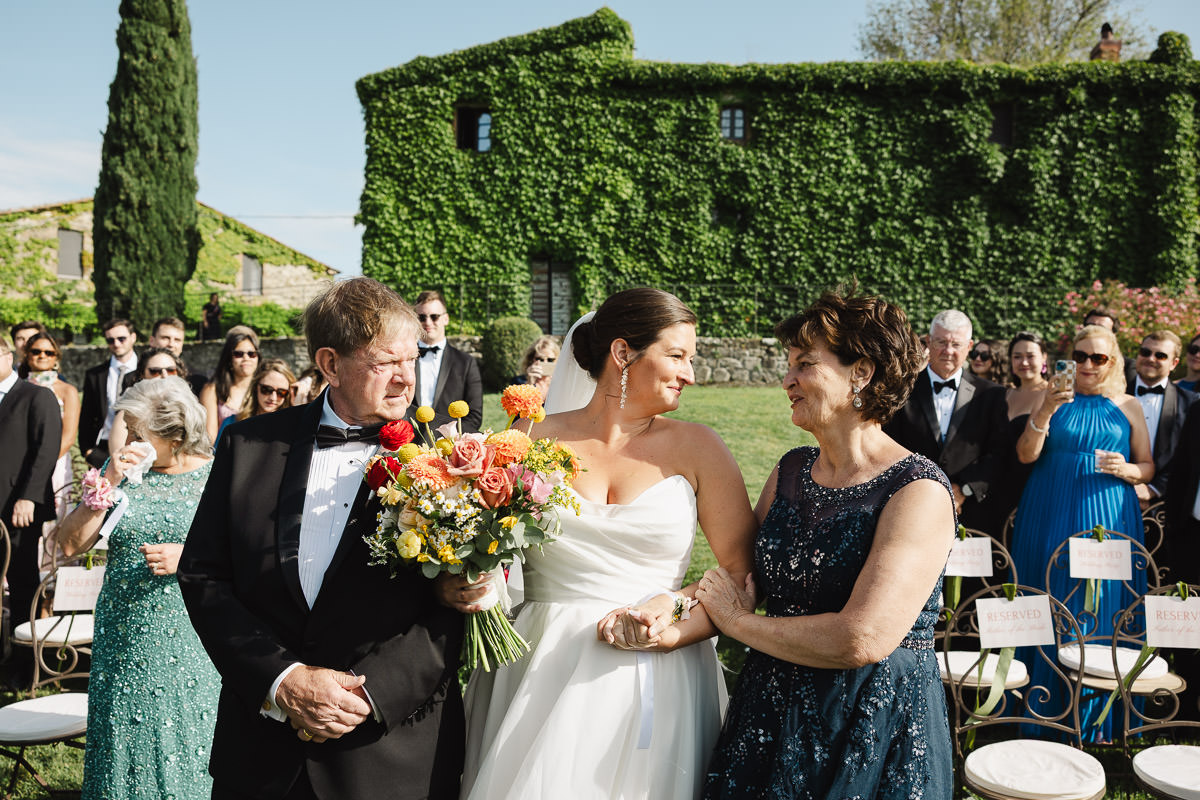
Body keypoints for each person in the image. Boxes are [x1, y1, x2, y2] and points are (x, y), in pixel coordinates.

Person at [461, 288, 758, 800]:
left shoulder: (699, 448)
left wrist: (670, 611)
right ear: (623, 353)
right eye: (677, 356)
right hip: (539, 666)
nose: (690, 374)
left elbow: (740, 576)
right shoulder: (528, 439)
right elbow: (478, 549)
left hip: (662, 671)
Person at [178, 278, 467, 800]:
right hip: (263, 756)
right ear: (330, 364)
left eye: (411, 359)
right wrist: (281, 679)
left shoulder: (449, 461)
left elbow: (456, 603)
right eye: (387, 362)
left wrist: (369, 697)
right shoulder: (248, 446)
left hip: (390, 755)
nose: (406, 378)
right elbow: (204, 576)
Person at [698, 289, 955, 799]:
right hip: (770, 708)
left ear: (861, 372)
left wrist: (738, 624)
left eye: (805, 364)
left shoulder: (918, 491)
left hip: (867, 722)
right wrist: (664, 609)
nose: (787, 380)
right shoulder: (790, 470)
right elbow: (739, 577)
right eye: (788, 364)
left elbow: (862, 638)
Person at [55, 377, 219, 800]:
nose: (127, 441)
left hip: (190, 635)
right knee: (122, 731)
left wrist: (189, 558)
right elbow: (69, 544)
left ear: (176, 437)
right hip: (123, 631)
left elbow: (250, 554)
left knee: (185, 734)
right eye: (126, 429)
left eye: (137, 433)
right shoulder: (124, 475)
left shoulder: (216, 477)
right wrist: (108, 479)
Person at [1010, 324, 1152, 742]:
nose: (1088, 365)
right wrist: (1045, 409)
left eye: (1098, 357)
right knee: (1046, 593)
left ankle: (1096, 720)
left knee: (1103, 603)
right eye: (1080, 356)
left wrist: (1129, 469)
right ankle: (1039, 708)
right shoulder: (1050, 397)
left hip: (1107, 515)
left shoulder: (1128, 405)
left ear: (1113, 361)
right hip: (1049, 508)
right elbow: (1025, 455)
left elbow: (1148, 466)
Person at [883, 309, 1007, 532]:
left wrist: (964, 489)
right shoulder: (901, 390)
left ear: (969, 347)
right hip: (909, 509)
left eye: (956, 344)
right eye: (941, 342)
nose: (948, 351)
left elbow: (999, 452)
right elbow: (887, 446)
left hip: (972, 512)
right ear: (928, 342)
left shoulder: (992, 395)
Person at [0, 335, 62, 675]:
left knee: (22, 583)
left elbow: (46, 450)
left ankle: (25, 665)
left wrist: (29, 496)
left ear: (8, 356)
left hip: (19, 509)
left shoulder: (37, 396)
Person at [975, 331, 1050, 534]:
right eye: (1017, 356)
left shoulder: (1051, 397)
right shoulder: (1001, 394)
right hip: (993, 490)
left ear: (1044, 358)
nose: (1023, 362)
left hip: (1031, 489)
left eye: (1030, 356)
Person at [1128, 331, 1195, 510]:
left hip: (1163, 506)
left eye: (1160, 355)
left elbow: (1189, 457)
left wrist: (1153, 489)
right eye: (1145, 352)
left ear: (1174, 363)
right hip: (1111, 495)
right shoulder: (1113, 395)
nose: (1151, 359)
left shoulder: (1190, 403)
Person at [405, 290, 482, 444]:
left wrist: (447, 441)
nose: (428, 322)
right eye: (422, 317)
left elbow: (474, 417)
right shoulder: (403, 359)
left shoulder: (465, 362)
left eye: (434, 316)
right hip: (407, 444)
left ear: (445, 319)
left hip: (449, 446)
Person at [21, 332, 80, 519]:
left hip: (56, 462)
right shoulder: (17, 389)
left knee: (55, 522)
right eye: (36, 351)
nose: (42, 356)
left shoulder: (68, 391)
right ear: (27, 355)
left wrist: (41, 464)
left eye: (49, 352)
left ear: (56, 358)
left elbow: (68, 437)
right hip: (19, 462)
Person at [79, 318, 138, 468]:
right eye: (110, 340)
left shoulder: (147, 371)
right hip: (101, 447)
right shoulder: (95, 374)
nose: (116, 344)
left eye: (121, 338)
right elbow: (86, 415)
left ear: (133, 337)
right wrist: (87, 451)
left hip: (138, 445)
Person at [109, 348, 189, 452]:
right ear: (142, 375)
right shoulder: (131, 411)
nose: (165, 375)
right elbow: (120, 453)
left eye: (171, 370)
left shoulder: (189, 407)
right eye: (155, 371)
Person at [199, 326, 259, 444]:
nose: (246, 358)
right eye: (238, 354)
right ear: (229, 358)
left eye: (251, 354)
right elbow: (209, 438)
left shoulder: (266, 389)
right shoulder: (212, 389)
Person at [212, 358, 294, 444]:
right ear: (255, 387)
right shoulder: (232, 424)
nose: (273, 398)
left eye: (281, 392)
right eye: (266, 389)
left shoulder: (291, 429)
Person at [146, 316, 207, 396]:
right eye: (165, 338)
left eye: (177, 340)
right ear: (152, 341)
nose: (171, 344)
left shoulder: (198, 382)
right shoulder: (133, 379)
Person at [1082, 307, 1137, 386]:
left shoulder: (1127, 367)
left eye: (1101, 329)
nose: (1093, 332)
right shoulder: (1071, 361)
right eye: (1089, 327)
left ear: (1113, 335)